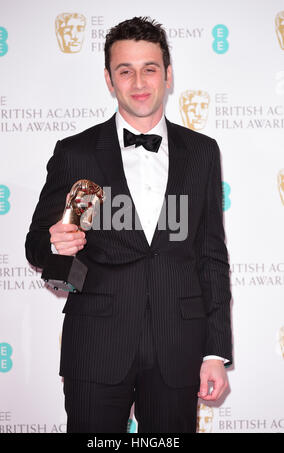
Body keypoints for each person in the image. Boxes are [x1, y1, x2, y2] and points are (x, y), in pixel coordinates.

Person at [25, 16, 232, 433]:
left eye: (150, 68)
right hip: (96, 345)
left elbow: (211, 256)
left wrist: (214, 353)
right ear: (109, 79)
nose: (139, 81)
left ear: (168, 75)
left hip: (178, 348)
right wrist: (55, 244)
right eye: (125, 70)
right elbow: (36, 244)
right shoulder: (75, 152)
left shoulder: (203, 153)